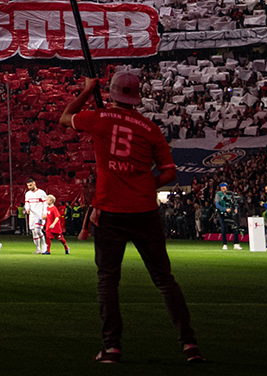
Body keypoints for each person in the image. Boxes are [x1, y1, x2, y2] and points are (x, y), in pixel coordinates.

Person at [61, 71, 203, 365]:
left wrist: (88, 90)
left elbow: (65, 116)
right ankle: (189, 345)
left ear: (111, 92)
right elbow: (169, 172)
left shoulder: (98, 118)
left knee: (108, 281)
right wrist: (142, 184)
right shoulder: (150, 128)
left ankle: (112, 347)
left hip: (110, 211)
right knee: (164, 279)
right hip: (144, 211)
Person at [25, 180, 52, 254]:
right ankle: (38, 249)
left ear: (34, 184)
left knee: (38, 230)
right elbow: (27, 202)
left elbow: (45, 204)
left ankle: (44, 246)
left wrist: (44, 213)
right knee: (33, 232)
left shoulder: (41, 193)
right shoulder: (27, 194)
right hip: (32, 216)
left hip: (39, 215)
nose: (29, 187)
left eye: (30, 185)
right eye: (28, 186)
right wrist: (27, 209)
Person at [212, 182, 241, 249]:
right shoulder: (218, 194)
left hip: (231, 213)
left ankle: (236, 244)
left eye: (224, 188)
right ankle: (224, 244)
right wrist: (225, 209)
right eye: (221, 188)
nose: (223, 190)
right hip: (222, 213)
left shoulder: (231, 194)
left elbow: (235, 203)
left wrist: (236, 209)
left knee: (235, 227)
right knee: (223, 228)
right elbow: (217, 205)